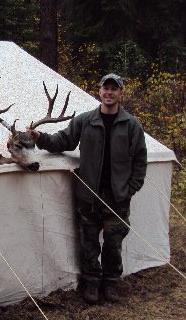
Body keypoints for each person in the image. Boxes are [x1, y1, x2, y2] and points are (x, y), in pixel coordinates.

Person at [28, 73, 147, 305]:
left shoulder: (131, 125)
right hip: (89, 196)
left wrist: (131, 188)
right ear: (99, 91)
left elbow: (140, 160)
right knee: (88, 242)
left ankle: (111, 283)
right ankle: (91, 284)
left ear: (120, 93)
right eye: (106, 88)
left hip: (117, 197)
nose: (109, 93)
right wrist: (39, 137)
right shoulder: (85, 121)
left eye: (114, 89)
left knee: (113, 242)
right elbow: (63, 141)